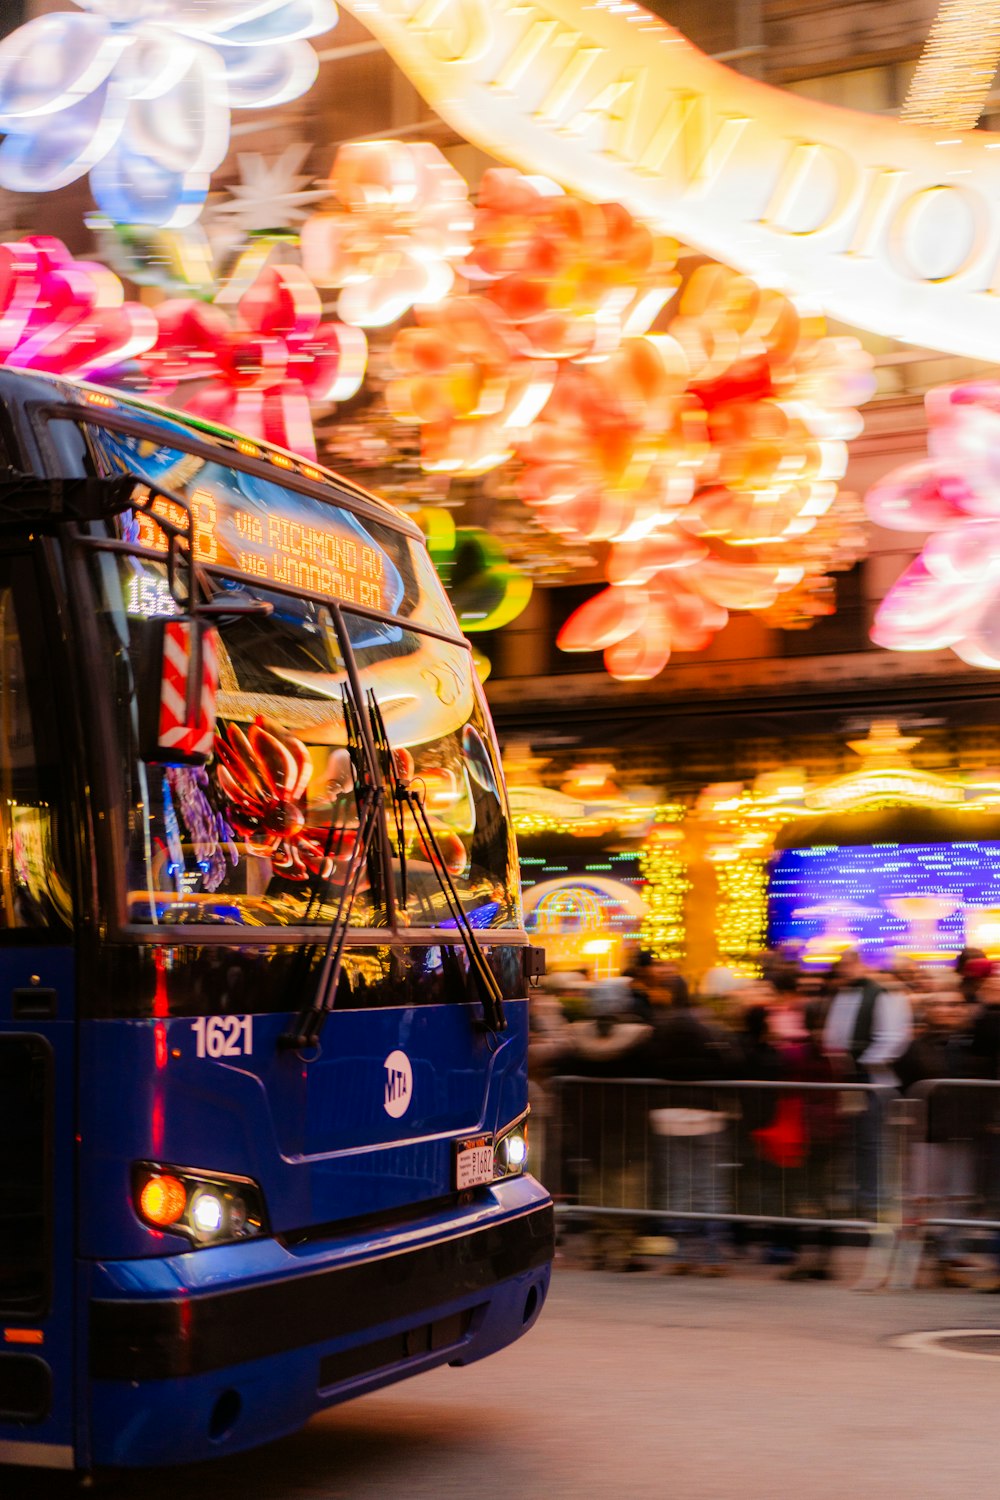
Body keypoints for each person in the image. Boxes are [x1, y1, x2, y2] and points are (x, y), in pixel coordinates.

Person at [639, 972, 737, 1274]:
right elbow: (727, 1066)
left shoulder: (660, 1030)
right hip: (705, 1114)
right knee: (710, 1185)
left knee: (677, 1186)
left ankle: (681, 1253)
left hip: (668, 1116)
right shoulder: (706, 1029)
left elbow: (649, 1066)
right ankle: (712, 1254)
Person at [896, 975, 977, 1286]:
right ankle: (910, 1258)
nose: (950, 1010)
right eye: (942, 1004)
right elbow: (904, 1082)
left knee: (958, 1197)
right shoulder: (916, 1047)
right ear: (929, 1010)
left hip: (964, 1131)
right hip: (928, 1132)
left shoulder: (970, 1044)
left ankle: (949, 1257)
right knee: (921, 1199)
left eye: (955, 1004)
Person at [822, 950, 913, 1219]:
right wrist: (839, 1060)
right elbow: (834, 1034)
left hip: (873, 1077)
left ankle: (875, 1197)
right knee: (851, 1139)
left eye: (850, 963)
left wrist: (864, 1062)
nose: (845, 969)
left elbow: (893, 1037)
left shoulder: (885, 994)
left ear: (865, 965)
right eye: (842, 964)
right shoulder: (843, 994)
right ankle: (853, 1193)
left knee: (873, 1140)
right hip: (846, 1077)